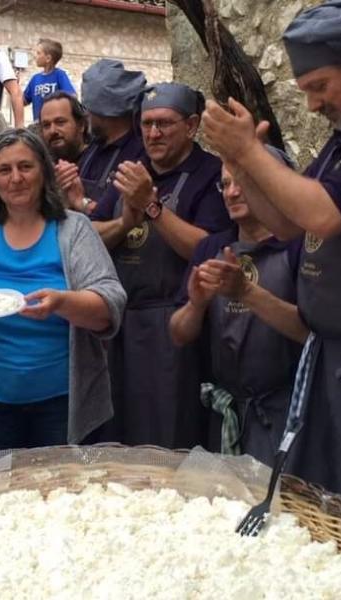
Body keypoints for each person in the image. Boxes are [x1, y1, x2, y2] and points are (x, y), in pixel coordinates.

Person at [201, 0, 341, 526]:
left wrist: (252, 151)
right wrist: (240, 161)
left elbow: (323, 215)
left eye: (319, 86)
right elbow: (289, 224)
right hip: (333, 355)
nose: (311, 105)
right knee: (334, 495)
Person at [0, 129, 126, 453]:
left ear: (43, 171)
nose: (15, 178)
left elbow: (110, 302)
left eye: (25, 167)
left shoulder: (74, 229)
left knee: (63, 496)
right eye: (4, 170)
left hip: (64, 402)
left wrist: (62, 302)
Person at [90, 82, 231, 449]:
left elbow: (207, 248)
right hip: (121, 323)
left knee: (168, 436)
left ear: (191, 125)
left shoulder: (211, 174)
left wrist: (152, 208)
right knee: (117, 434)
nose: (153, 133)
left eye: (164, 124)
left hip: (172, 326)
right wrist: (124, 223)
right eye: (146, 123)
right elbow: (90, 236)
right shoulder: (131, 172)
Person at [169, 152, 307, 466]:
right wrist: (196, 304)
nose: (231, 193)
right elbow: (178, 334)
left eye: (242, 182)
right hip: (226, 412)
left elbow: (312, 334)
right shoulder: (211, 249)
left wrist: (245, 292)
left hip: (288, 414)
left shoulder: (298, 246)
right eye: (225, 184)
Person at [55, 59, 146, 216]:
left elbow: (111, 216)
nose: (86, 114)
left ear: (105, 112)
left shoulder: (136, 156)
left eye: (88, 108)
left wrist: (81, 201)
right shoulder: (95, 147)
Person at [23, 38, 76, 123]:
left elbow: (72, 97)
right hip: (38, 125)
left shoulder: (60, 75)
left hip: (55, 124)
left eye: (38, 53)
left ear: (48, 58)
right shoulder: (35, 79)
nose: (35, 55)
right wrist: (15, 86)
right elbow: (23, 101)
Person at [39, 90, 90, 163]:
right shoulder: (44, 169)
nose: (52, 130)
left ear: (81, 125)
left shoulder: (100, 164)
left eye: (60, 122)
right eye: (46, 125)